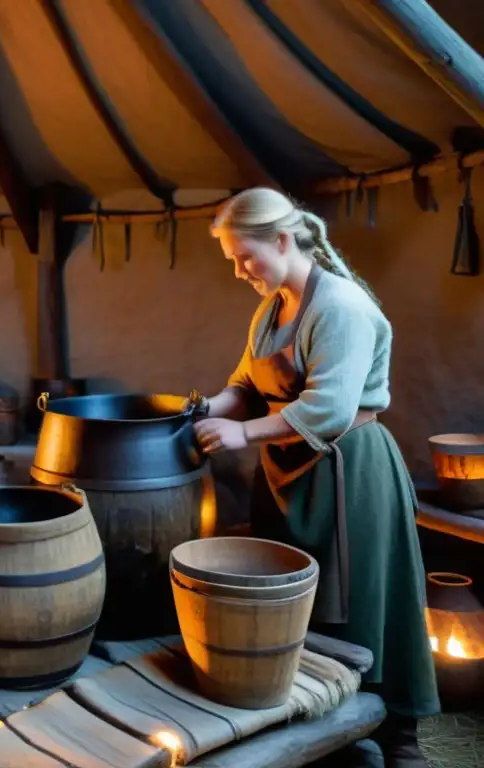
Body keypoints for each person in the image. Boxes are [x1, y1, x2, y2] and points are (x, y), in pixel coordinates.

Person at [191, 187, 438, 768]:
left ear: (282, 239)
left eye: (244, 255)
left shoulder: (341, 307)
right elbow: (247, 384)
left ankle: (395, 735)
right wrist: (208, 409)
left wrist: (244, 436)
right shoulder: (272, 306)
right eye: (231, 259)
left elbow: (328, 409)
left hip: (348, 472)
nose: (238, 270)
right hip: (290, 475)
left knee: (364, 603)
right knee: (295, 607)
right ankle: (323, 728)